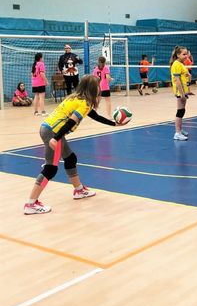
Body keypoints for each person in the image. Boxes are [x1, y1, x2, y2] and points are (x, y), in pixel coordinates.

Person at [23, 75, 125, 215]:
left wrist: (114, 124)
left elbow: (95, 116)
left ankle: (78, 190)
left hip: (48, 128)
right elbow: (71, 122)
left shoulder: (76, 98)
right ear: (93, 89)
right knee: (50, 168)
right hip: (53, 132)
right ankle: (30, 204)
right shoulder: (84, 104)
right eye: (98, 86)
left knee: (70, 158)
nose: (100, 88)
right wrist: (56, 138)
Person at [170, 46, 190, 141]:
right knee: (180, 111)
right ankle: (177, 133)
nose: (186, 56)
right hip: (180, 91)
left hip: (184, 90)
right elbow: (177, 80)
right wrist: (182, 94)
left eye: (187, 54)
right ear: (178, 55)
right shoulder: (176, 64)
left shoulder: (181, 64)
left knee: (182, 110)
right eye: (184, 54)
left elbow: (184, 77)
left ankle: (180, 130)